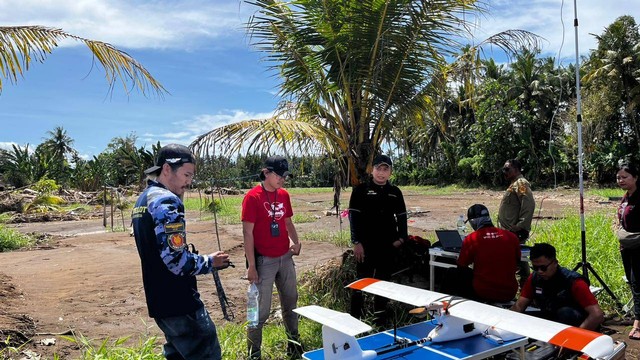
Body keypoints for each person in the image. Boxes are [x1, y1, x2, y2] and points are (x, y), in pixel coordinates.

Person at [132, 143, 230, 360]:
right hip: (179, 301)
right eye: (186, 174)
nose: (189, 181)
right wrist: (210, 261)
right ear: (167, 169)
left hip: (159, 299)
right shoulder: (166, 201)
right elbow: (176, 261)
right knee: (206, 351)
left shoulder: (143, 199)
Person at [242, 155, 302, 359]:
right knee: (258, 311)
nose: (283, 179)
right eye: (279, 175)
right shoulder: (252, 197)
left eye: (285, 176)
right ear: (266, 172)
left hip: (285, 258)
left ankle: (294, 344)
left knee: (291, 302)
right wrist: (251, 266)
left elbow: (287, 222)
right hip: (263, 261)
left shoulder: (283, 195)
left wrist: (296, 240)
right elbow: (247, 233)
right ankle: (254, 353)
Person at [348, 154, 408, 325]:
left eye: (385, 169)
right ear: (371, 170)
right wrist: (356, 242)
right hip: (365, 246)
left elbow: (402, 218)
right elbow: (354, 218)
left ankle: (379, 321)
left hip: (387, 246)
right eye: (378, 169)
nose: (381, 173)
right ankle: (354, 321)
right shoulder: (360, 190)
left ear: (390, 172)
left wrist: (402, 239)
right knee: (360, 284)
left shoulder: (395, 192)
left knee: (383, 285)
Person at [510, 243, 604, 331]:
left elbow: (597, 315)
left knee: (565, 313)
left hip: (577, 324)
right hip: (552, 319)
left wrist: (575, 338)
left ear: (555, 263)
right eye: (535, 268)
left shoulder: (574, 282)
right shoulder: (534, 278)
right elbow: (519, 306)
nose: (539, 272)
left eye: (543, 268)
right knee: (525, 318)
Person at [455, 204, 520, 303]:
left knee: (453, 273)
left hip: (483, 292)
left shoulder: (472, 238)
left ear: (473, 221)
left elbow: (461, 265)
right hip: (509, 292)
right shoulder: (511, 236)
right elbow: (518, 261)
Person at [498, 158, 535, 287]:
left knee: (519, 261)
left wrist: (520, 226)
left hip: (514, 232)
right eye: (504, 169)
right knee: (516, 260)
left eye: (507, 169)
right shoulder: (514, 184)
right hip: (507, 232)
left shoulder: (521, 183)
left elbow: (528, 205)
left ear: (516, 169)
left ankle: (526, 290)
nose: (505, 172)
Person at [615, 162, 640, 340]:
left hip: (639, 249)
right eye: (618, 177)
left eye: (625, 177)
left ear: (636, 177)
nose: (621, 180)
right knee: (633, 284)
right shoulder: (626, 197)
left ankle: (637, 325)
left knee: (637, 284)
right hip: (627, 248)